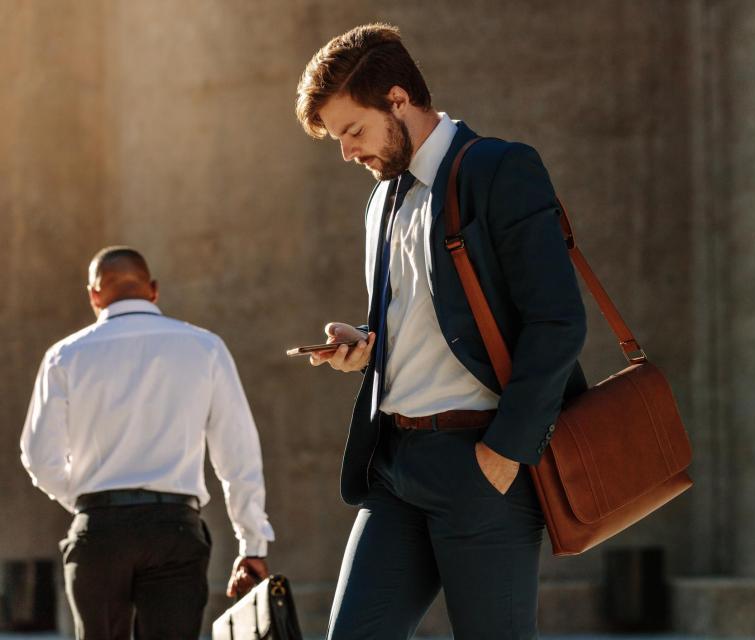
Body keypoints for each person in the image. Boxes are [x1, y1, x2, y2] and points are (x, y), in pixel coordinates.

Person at [295, 24, 587, 638]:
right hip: (395, 466)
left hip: (482, 465)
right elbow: (421, 319)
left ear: (398, 100)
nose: (348, 152)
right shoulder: (383, 201)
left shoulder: (499, 169)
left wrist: (506, 452)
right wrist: (366, 347)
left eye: (354, 131)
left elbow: (557, 320)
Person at [20, 246, 275, 640]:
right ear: (153, 290)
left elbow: (39, 458)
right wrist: (252, 543)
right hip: (173, 530)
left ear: (94, 295)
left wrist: (89, 502)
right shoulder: (205, 347)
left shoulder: (64, 356)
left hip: (99, 531)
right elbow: (237, 454)